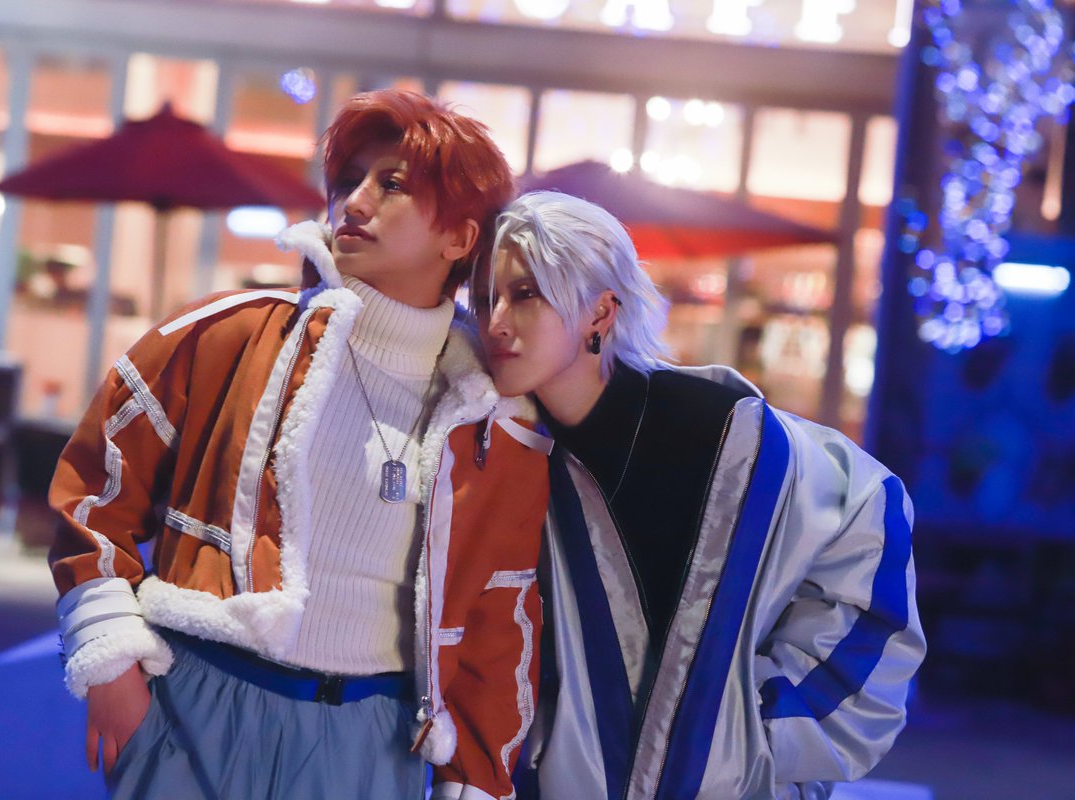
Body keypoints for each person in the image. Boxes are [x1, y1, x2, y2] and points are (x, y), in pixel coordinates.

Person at [47, 90, 551, 800]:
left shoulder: (490, 416)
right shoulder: (229, 333)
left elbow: (499, 617)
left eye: (392, 184)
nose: (355, 201)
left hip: (373, 740)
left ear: (460, 239)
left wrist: (473, 779)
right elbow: (94, 493)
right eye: (348, 180)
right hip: (199, 705)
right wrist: (110, 666)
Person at [475, 191, 926, 800]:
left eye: (525, 294)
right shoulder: (514, 449)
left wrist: (762, 728)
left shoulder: (716, 427)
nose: (496, 322)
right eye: (487, 298)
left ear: (600, 313)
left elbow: (871, 509)